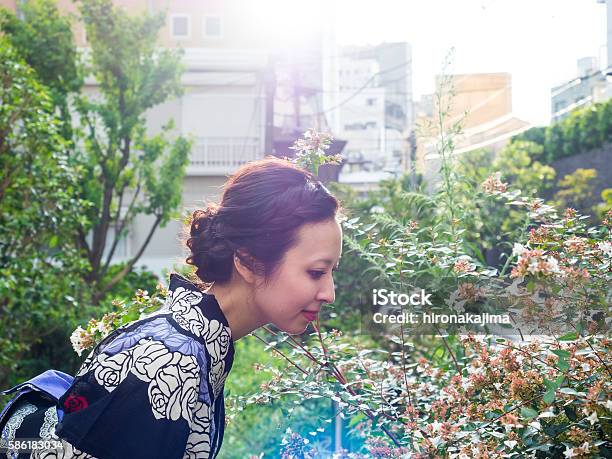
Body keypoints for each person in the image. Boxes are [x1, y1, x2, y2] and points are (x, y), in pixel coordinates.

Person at [0, 157, 343, 458]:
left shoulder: (199, 345)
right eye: (315, 272)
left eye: (332, 272)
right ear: (249, 263)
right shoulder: (169, 360)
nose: (328, 292)